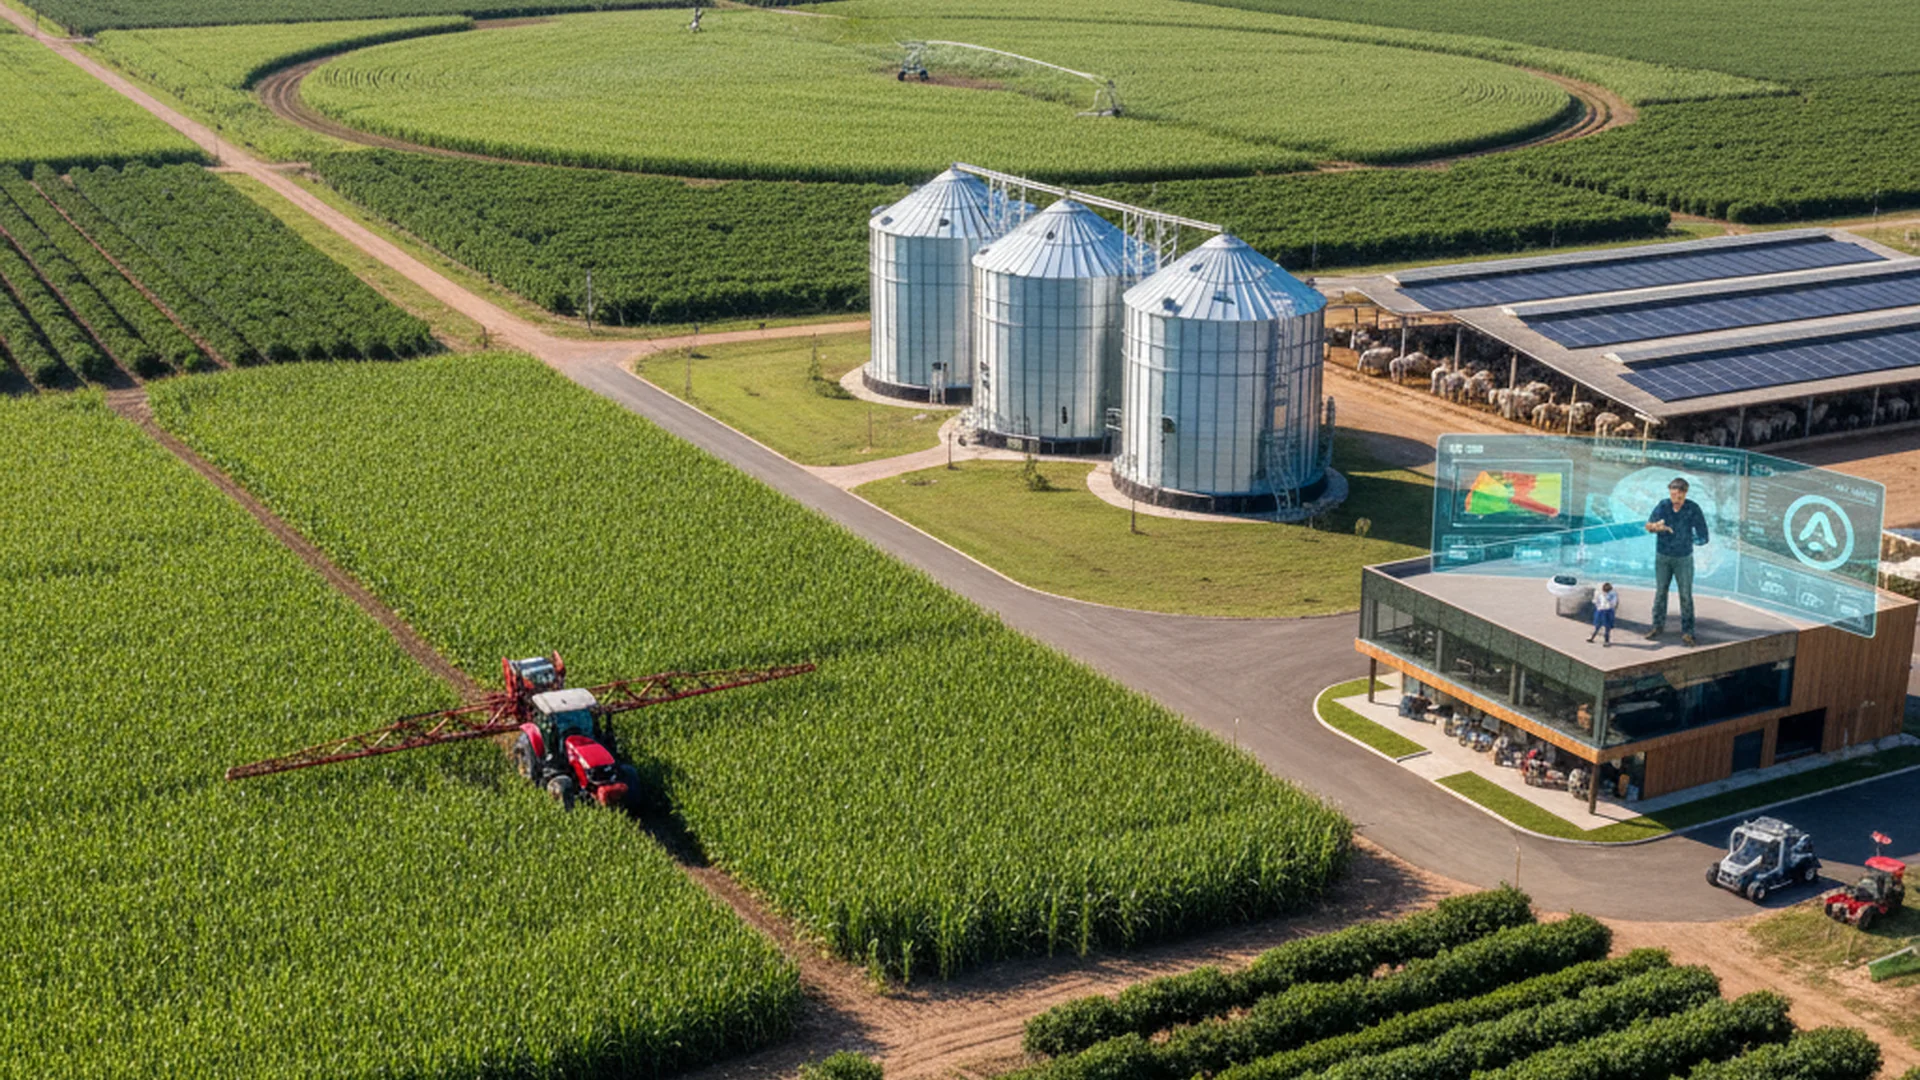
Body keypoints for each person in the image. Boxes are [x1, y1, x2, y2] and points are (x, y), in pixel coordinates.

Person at [1645, 477, 1709, 645]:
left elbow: (1703, 535)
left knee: (1685, 595)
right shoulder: (1663, 505)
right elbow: (1648, 525)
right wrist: (1656, 527)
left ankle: (1688, 631)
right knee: (1660, 592)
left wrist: (1688, 539)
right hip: (1663, 556)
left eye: (1679, 496)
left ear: (1685, 494)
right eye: (1673, 495)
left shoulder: (1693, 509)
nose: (1676, 499)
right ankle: (1657, 626)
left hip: (1683, 558)